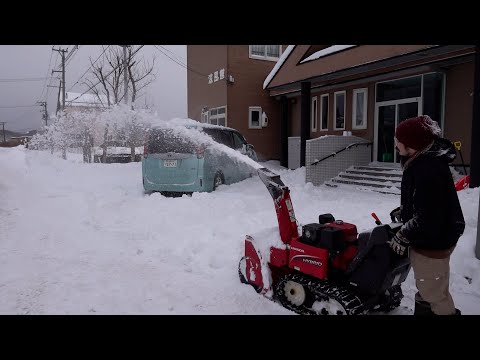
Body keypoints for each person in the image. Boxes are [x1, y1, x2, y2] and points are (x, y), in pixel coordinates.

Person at [388, 115, 465, 315]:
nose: (396, 143)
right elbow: (427, 203)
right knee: (430, 285)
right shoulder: (422, 160)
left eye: (399, 140)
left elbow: (429, 217)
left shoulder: (427, 169)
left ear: (412, 143)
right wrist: (405, 211)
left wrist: (404, 234)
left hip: (433, 242)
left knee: (435, 294)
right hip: (437, 234)